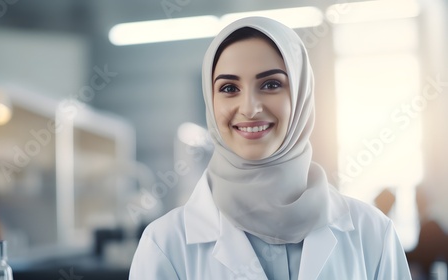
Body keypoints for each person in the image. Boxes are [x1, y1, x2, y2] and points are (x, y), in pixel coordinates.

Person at [129, 17, 412, 279]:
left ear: (301, 96)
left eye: (271, 84)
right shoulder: (165, 244)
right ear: (210, 99)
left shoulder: (373, 234)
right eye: (229, 88)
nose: (250, 108)